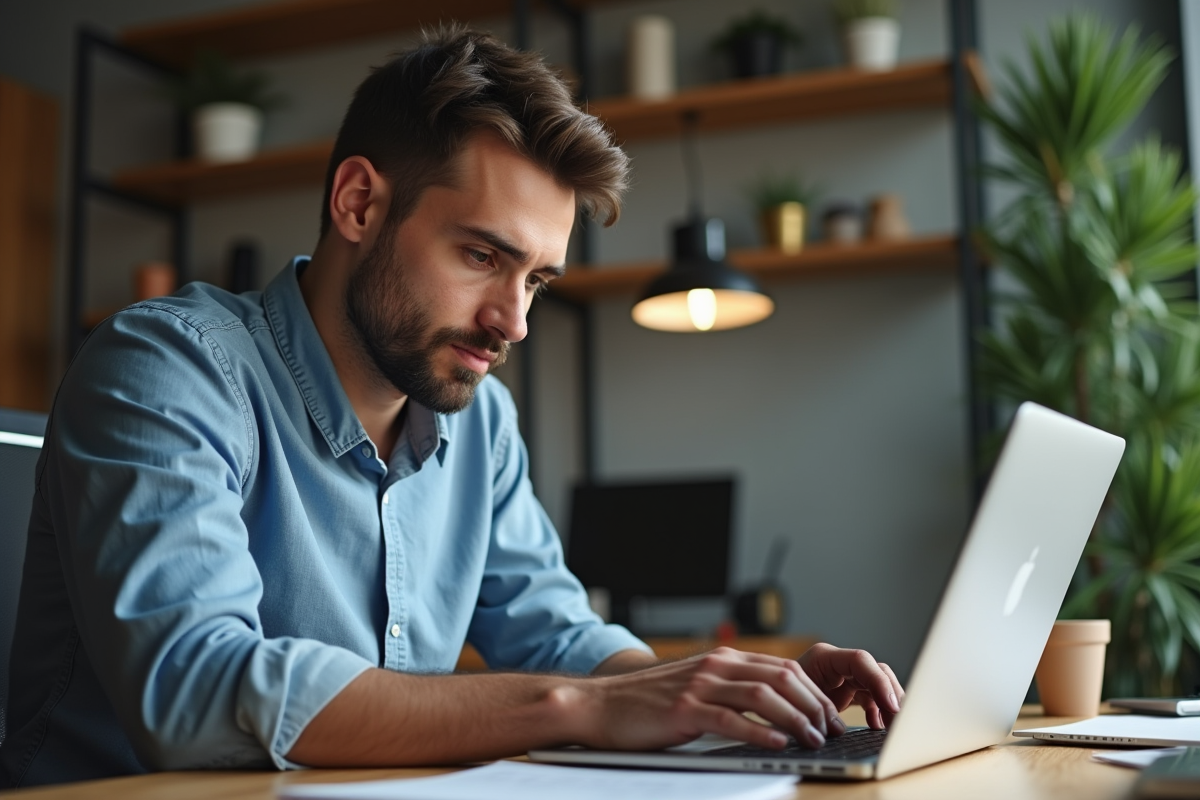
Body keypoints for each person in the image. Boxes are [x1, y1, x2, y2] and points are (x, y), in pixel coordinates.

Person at [0, 26, 903, 788]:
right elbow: (192, 694)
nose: (512, 320)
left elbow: (558, 636)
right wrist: (583, 707)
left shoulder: (482, 422)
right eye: (481, 256)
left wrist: (728, 689)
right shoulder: (168, 367)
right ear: (359, 202)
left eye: (537, 279)